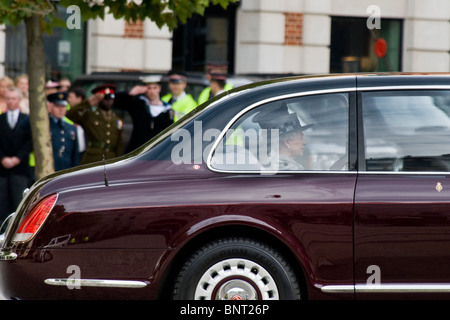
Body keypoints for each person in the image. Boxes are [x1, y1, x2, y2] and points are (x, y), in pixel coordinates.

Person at [66, 84, 123, 164]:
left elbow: (119, 144)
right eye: (105, 99)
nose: (109, 101)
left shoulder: (117, 119)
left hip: (111, 159)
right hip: (93, 158)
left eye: (111, 99)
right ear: (98, 100)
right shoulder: (90, 116)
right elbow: (69, 114)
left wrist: (119, 162)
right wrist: (88, 103)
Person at [114, 75, 173, 153]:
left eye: (154, 88)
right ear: (144, 89)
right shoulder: (138, 104)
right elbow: (115, 102)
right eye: (149, 88)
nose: (152, 91)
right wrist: (130, 93)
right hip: (137, 152)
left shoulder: (168, 110)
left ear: (159, 88)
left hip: (158, 152)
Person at [0, 87, 32, 222]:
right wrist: (2, 158)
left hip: (20, 169)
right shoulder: (0, 119)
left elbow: (30, 142)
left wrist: (18, 158)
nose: (11, 101)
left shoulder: (26, 120)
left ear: (19, 100)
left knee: (18, 202)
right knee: (2, 202)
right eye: (8, 98)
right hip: (1, 169)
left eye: (14, 98)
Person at [253, 103, 311, 171]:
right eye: (301, 137)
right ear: (287, 142)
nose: (304, 142)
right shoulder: (286, 169)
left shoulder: (273, 164)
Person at [47, 91, 79, 171]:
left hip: (66, 170)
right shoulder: (46, 125)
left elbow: (75, 155)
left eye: (63, 106)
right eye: (57, 106)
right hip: (49, 169)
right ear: (51, 107)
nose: (61, 109)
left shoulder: (71, 128)